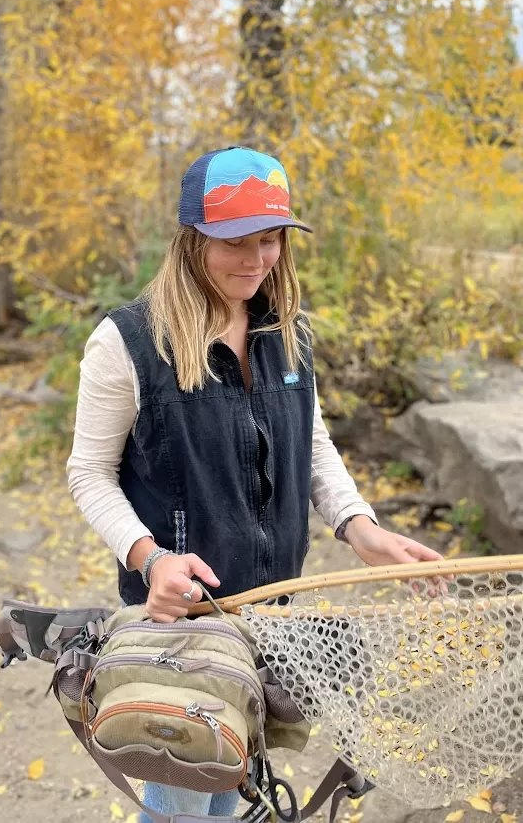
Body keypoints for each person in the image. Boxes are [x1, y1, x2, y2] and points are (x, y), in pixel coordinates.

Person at [66, 146, 442, 822]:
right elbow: (87, 473)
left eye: (268, 240)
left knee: (233, 791)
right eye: (233, 242)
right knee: (182, 800)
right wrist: (148, 558)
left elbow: (312, 442)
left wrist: (361, 529)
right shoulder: (124, 342)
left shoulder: (285, 329)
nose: (256, 259)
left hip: (272, 617)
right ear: (190, 241)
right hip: (182, 626)